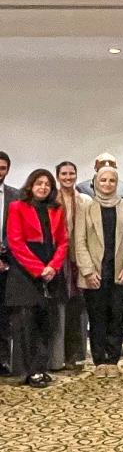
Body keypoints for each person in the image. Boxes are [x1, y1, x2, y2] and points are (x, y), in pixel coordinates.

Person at [4, 169, 68, 388]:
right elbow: (15, 242)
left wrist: (53, 267)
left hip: (51, 273)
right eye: (39, 183)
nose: (43, 187)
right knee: (26, 324)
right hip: (25, 274)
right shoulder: (17, 207)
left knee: (46, 322)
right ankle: (30, 371)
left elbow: (63, 242)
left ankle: (40, 367)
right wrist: (38, 269)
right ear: (30, 185)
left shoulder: (57, 209)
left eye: (47, 184)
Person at [74, 166, 123, 378]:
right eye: (103, 180)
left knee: (116, 317)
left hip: (120, 272)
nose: (108, 184)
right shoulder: (86, 207)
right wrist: (88, 271)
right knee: (97, 316)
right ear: (95, 183)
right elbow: (79, 241)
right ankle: (100, 360)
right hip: (95, 273)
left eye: (112, 180)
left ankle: (113, 359)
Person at [53, 161, 89, 371]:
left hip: (78, 258)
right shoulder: (51, 200)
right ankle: (56, 356)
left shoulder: (84, 200)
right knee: (58, 308)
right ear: (58, 176)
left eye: (71, 173)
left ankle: (74, 355)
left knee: (77, 308)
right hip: (57, 260)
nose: (68, 177)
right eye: (64, 174)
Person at [0, 151, 20, 376]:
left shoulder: (15, 196)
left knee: (5, 316)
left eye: (3, 168)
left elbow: (17, 230)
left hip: (7, 265)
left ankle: (3, 361)